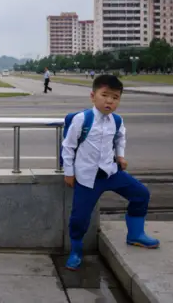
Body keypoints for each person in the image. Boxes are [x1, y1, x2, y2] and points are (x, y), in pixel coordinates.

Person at [61, 74, 159, 271]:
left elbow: (120, 139)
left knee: (140, 194)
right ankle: (76, 251)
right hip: (87, 178)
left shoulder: (116, 120)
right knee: (79, 218)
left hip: (111, 173)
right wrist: (69, 172)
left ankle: (135, 234)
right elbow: (68, 147)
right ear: (93, 96)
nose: (109, 101)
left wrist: (120, 156)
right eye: (105, 95)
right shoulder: (82, 119)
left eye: (115, 97)